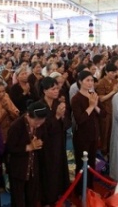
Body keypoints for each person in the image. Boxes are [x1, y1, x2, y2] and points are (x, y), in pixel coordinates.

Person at [6, 101, 49, 207]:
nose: (38, 124)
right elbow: (9, 148)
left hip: (33, 167)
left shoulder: (40, 125)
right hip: (18, 168)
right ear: (28, 115)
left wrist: (40, 143)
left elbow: (44, 138)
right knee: (18, 199)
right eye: (36, 121)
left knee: (33, 198)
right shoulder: (16, 126)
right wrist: (28, 147)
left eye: (42, 121)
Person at [38, 77, 70, 206]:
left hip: (58, 141)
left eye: (57, 88)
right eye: (53, 89)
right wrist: (56, 116)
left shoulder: (58, 104)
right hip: (45, 144)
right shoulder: (40, 106)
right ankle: (47, 198)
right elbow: (41, 128)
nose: (57, 91)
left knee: (59, 167)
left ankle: (59, 194)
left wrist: (62, 117)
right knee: (47, 170)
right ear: (45, 91)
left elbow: (67, 124)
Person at [71, 70, 102, 196]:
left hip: (94, 134)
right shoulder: (76, 98)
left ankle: (90, 188)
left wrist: (95, 106)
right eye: (87, 80)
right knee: (82, 164)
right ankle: (80, 191)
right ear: (80, 82)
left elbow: (103, 114)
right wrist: (90, 106)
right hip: (82, 136)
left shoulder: (94, 95)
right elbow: (80, 119)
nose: (90, 83)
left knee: (92, 164)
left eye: (92, 80)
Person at [95, 63, 118, 158]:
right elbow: (101, 99)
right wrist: (113, 91)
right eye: (112, 72)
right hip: (105, 111)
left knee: (112, 131)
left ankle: (111, 150)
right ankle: (104, 151)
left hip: (114, 109)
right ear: (106, 72)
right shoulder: (101, 82)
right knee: (104, 132)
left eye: (115, 72)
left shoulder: (115, 82)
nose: (114, 74)